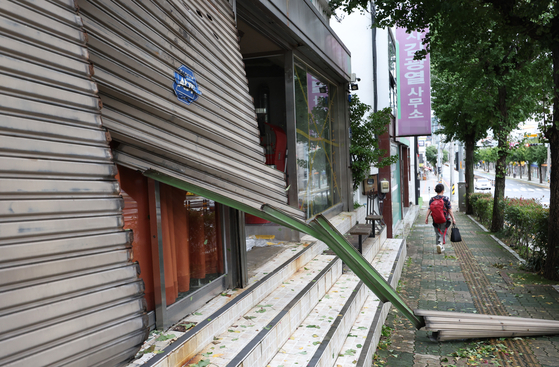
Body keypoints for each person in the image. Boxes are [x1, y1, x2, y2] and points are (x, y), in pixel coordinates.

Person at [425, 183, 456, 253]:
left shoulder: (432, 199)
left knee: (437, 233)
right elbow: (450, 209)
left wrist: (426, 218)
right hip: (444, 219)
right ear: (443, 190)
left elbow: (429, 209)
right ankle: (440, 244)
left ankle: (439, 246)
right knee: (443, 232)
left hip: (435, 219)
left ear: (436, 190)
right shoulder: (446, 199)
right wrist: (453, 218)